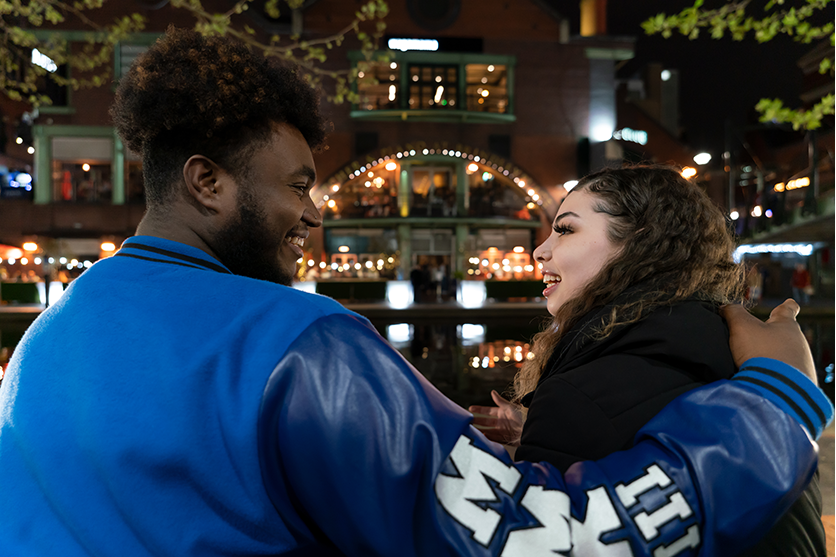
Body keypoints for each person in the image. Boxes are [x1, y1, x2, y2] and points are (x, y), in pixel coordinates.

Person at [0, 29, 831, 557]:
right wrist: (775, 398)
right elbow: (559, 538)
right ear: (207, 182)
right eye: (295, 186)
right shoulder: (299, 346)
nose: (316, 214)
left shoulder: (49, 335)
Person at [470, 166, 827, 555]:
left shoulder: (578, 393)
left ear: (639, 242)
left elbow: (542, 540)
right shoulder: (732, 352)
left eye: (566, 229)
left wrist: (554, 428)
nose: (541, 250)